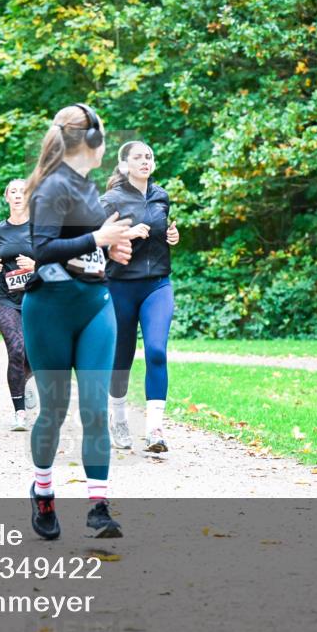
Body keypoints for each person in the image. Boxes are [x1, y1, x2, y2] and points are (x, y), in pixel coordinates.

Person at [22, 103, 137, 540]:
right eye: (103, 138)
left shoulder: (88, 186)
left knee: (94, 408)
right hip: (49, 308)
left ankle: (98, 507)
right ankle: (44, 492)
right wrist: (99, 237)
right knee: (53, 409)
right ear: (90, 141)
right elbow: (42, 248)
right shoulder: (51, 187)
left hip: (95, 303)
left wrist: (109, 248)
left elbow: (83, 244)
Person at [100, 141, 180, 453]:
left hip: (158, 285)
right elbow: (92, 244)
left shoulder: (161, 196)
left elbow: (163, 234)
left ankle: (155, 429)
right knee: (122, 357)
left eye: (149, 156)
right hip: (120, 286)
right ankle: (118, 418)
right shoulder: (110, 200)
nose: (145, 161)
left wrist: (172, 236)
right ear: (124, 165)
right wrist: (123, 235)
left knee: (157, 351)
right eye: (138, 157)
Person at [0, 179, 38, 432]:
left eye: (23, 192)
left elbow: (56, 262)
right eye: (13, 192)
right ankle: (20, 412)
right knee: (16, 350)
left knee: (34, 354)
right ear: (6, 197)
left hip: (37, 298)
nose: (18, 195)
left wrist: (36, 266)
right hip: (5, 298)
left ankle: (28, 383)